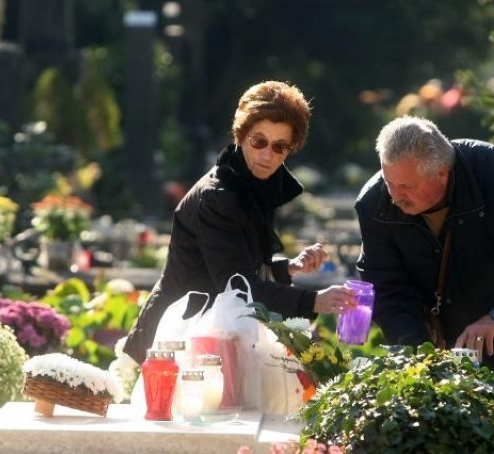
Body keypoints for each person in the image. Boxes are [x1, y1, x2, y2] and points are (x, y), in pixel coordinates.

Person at [124, 80, 354, 364]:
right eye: (259, 141)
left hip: (212, 336)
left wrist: (289, 268)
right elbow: (237, 286)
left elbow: (242, 266)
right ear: (241, 135)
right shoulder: (218, 197)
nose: (267, 154)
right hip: (175, 342)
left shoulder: (256, 185)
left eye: (280, 146)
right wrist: (313, 301)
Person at [354, 115, 494, 415]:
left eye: (406, 186)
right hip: (442, 346)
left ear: (442, 173)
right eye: (389, 182)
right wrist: (420, 352)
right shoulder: (373, 203)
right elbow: (386, 288)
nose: (394, 196)